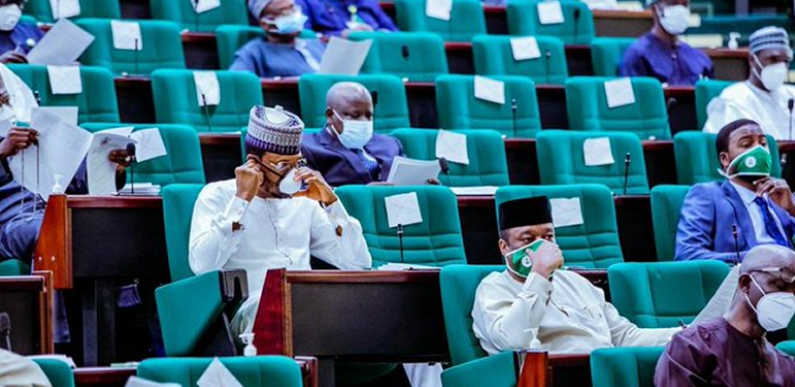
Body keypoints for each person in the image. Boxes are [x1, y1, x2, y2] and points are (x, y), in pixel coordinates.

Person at [189, 105, 372, 337]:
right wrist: (241, 201)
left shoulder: (304, 201)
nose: (293, 174)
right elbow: (202, 266)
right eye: (284, 165)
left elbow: (359, 263)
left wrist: (331, 203)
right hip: (249, 312)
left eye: (297, 163)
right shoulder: (217, 196)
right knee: (282, 307)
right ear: (254, 163)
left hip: (308, 305)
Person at [472, 196, 679, 355]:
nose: (542, 245)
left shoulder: (576, 282)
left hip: (607, 374)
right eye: (528, 240)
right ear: (503, 246)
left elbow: (625, 337)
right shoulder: (492, 288)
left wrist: (684, 334)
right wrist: (539, 275)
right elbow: (513, 342)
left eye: (547, 237)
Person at [0, 63, 128, 268]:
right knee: (54, 228)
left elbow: (75, 181)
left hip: (58, 211)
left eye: (5, 96)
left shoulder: (33, 130)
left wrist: (111, 166)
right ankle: (53, 301)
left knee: (115, 224)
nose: (2, 101)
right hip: (8, 223)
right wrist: (2, 152)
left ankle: (118, 299)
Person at [654, 244, 795, 386]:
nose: (789, 298)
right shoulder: (692, 346)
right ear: (745, 283)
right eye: (780, 286)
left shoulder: (785, 366)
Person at [676, 119, 795, 262]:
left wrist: (792, 211)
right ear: (725, 159)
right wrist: (758, 259)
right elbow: (687, 254)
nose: (759, 150)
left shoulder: (784, 197)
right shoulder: (707, 195)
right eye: (746, 145)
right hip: (750, 279)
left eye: (763, 144)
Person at [301, 82, 404, 186]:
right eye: (355, 115)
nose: (364, 121)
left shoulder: (391, 144)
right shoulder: (306, 147)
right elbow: (307, 192)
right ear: (330, 115)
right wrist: (365, 193)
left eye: (369, 115)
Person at [704, 26, 795, 140]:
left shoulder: (792, 95)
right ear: (752, 60)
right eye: (773, 59)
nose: (781, 66)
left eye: (785, 61)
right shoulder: (733, 98)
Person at [619, 0, 713, 85]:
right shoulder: (638, 55)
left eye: (684, 4)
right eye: (673, 4)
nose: (680, 10)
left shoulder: (699, 58)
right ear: (654, 9)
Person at [232, 0, 325, 78]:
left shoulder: (316, 45)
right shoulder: (254, 53)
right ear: (266, 24)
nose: (293, 15)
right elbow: (237, 83)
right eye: (284, 12)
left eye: (292, 8)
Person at [293, 0, 397, 37]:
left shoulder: (368, 2)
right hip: (335, 58)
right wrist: (341, 36)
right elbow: (306, 38)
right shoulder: (307, 2)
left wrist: (381, 34)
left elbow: (395, 33)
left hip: (376, 55)